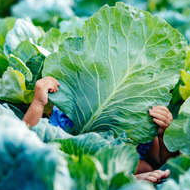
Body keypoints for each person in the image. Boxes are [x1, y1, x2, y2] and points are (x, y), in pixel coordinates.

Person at [23, 76, 177, 183]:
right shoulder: (71, 109)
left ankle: (124, 180)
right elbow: (24, 144)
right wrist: (38, 103)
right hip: (67, 170)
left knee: (144, 166)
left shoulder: (139, 118)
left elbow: (164, 162)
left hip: (106, 172)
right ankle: (123, 181)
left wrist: (165, 133)